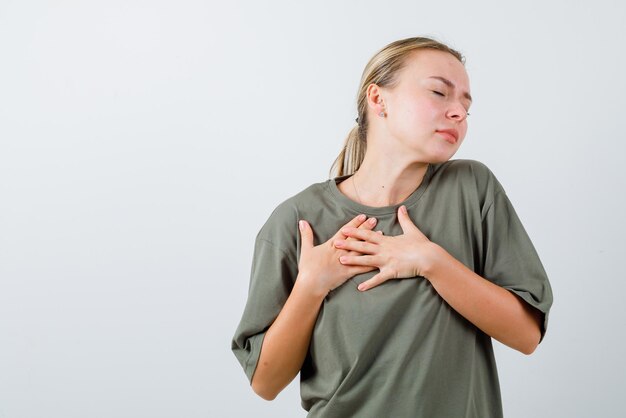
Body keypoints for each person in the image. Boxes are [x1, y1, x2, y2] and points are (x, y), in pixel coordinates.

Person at [231, 36, 553, 417]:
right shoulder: (298, 220)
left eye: (466, 105)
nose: (458, 113)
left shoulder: (472, 190)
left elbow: (527, 335)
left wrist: (431, 261)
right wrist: (311, 284)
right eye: (439, 92)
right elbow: (266, 383)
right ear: (378, 99)